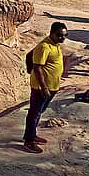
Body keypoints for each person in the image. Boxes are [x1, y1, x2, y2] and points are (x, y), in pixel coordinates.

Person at [23, 22, 68, 153]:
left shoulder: (55, 44)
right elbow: (37, 67)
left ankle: (32, 135)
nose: (62, 38)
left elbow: (29, 54)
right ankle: (28, 141)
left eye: (65, 35)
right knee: (34, 113)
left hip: (52, 86)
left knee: (39, 112)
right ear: (52, 33)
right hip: (41, 87)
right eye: (59, 35)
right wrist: (43, 87)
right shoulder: (44, 46)